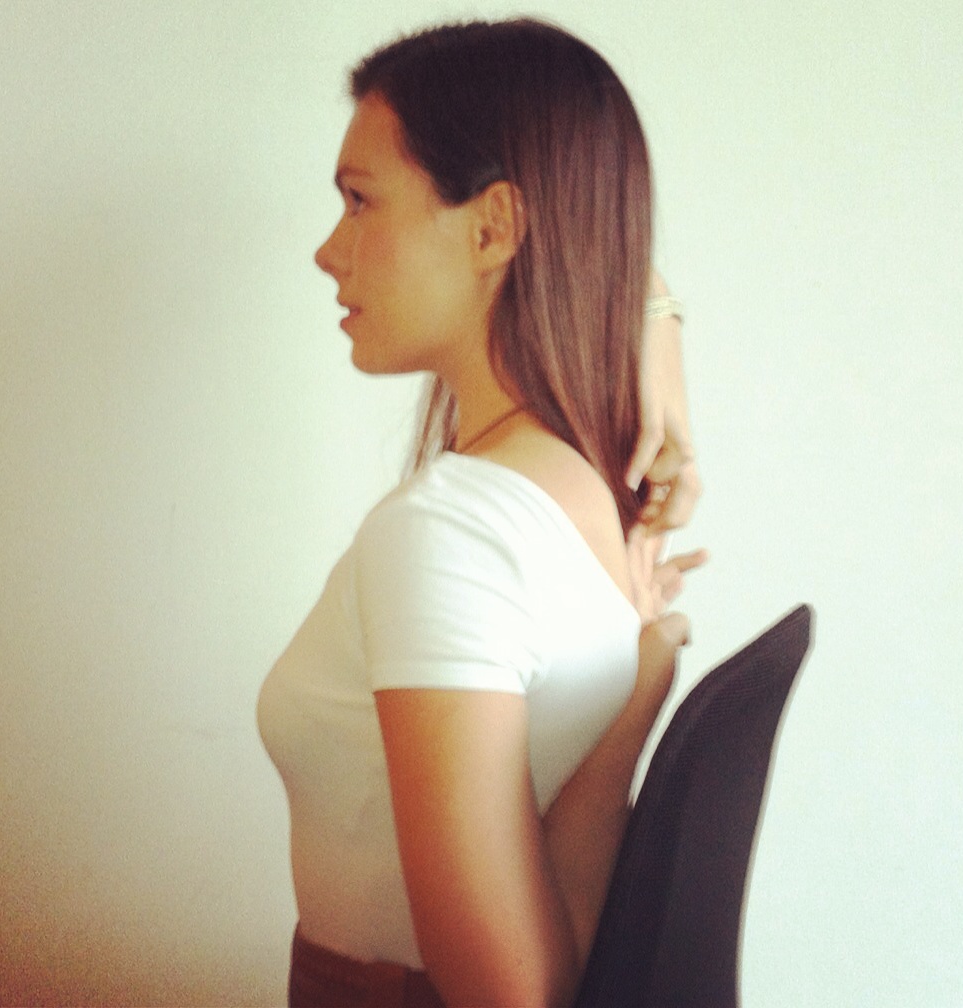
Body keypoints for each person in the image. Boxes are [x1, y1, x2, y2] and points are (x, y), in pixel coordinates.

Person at [258, 18, 705, 1008]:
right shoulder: (579, 488)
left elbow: (512, 996)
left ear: (493, 227)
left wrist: (630, 723)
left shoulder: (447, 535)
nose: (328, 251)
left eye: (360, 200)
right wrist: (658, 321)